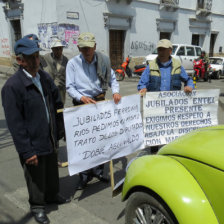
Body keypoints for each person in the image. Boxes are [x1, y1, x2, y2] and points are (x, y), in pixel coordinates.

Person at [1, 37, 71, 224]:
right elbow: (15, 124)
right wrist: (26, 151)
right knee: (35, 176)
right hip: (32, 142)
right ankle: (37, 206)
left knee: (51, 172)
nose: (35, 61)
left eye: (37, 56)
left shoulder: (44, 77)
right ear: (20, 60)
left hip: (48, 136)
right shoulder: (12, 87)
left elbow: (57, 103)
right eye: (30, 58)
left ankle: (52, 195)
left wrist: (59, 129)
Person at [66, 32, 121, 190]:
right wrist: (81, 98)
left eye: (89, 48)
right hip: (82, 104)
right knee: (84, 142)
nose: (87, 51)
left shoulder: (103, 60)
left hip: (99, 101)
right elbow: (70, 86)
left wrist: (116, 92)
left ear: (94, 47)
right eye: (83, 48)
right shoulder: (73, 64)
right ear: (79, 48)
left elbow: (112, 79)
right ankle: (83, 176)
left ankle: (98, 170)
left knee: (100, 139)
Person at [138, 39, 194, 153]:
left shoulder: (177, 66)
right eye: (159, 49)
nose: (161, 52)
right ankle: (154, 155)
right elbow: (142, 83)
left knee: (171, 134)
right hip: (155, 108)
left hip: (171, 109)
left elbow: (188, 80)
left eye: (163, 49)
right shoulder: (151, 66)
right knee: (155, 135)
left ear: (170, 51)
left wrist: (189, 86)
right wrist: (142, 89)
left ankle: (169, 154)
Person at [43, 38, 68, 105]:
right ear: (52, 49)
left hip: (60, 89)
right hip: (49, 88)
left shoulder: (65, 60)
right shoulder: (46, 57)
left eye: (60, 48)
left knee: (60, 106)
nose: (59, 51)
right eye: (56, 49)